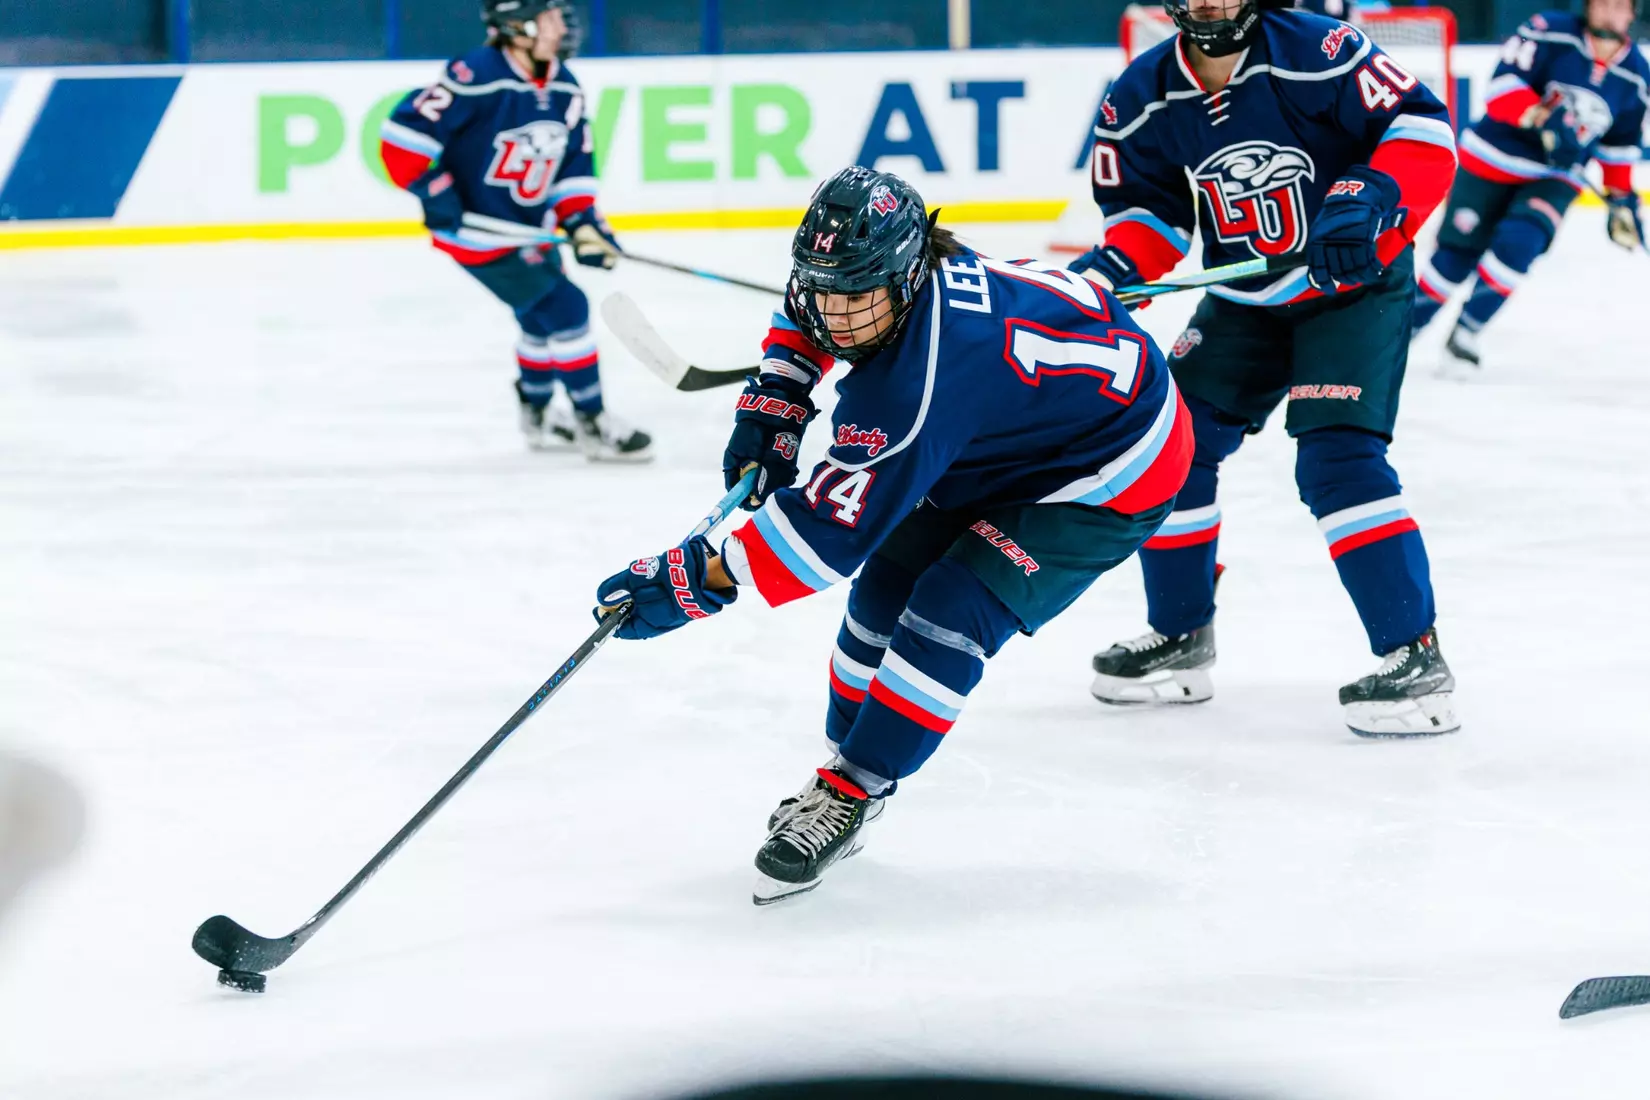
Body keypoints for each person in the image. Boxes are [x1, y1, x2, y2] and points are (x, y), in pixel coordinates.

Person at [590, 167, 1194, 903]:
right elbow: (805, 306)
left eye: (857, 299)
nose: (835, 319)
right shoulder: (886, 278)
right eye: (827, 291)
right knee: (883, 594)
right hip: (1007, 437)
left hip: (1107, 469)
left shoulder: (917, 385)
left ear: (907, 277)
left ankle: (853, 788)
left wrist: (693, 580)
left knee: (949, 608)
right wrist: (778, 393)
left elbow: (825, 537)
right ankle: (847, 764)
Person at [1069, 0, 1461, 736]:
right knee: (1172, 446)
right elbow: (1147, 215)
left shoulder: (1319, 49)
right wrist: (1113, 271)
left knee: (1336, 460)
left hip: (1353, 287)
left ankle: (1416, 657)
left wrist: (1371, 196)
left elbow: (1422, 129)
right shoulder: (1140, 93)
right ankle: (1182, 636)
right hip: (1246, 297)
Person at [379, 0, 652, 460]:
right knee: (567, 308)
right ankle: (593, 422)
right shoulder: (476, 73)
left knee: (538, 317)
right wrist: (436, 188)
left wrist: (583, 222)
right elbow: (400, 140)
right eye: (549, 18)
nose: (562, 26)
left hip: (529, 230)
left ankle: (540, 417)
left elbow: (572, 165)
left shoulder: (565, 85)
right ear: (516, 26)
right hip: (480, 236)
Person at [1411, 0, 1648, 370]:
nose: (1609, 11)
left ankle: (1466, 331)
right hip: (1490, 159)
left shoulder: (1636, 75)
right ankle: (1401, 333)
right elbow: (1502, 86)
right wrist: (1542, 116)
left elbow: (1619, 144)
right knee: (1455, 258)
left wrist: (1621, 199)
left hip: (1556, 176)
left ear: (1632, 13)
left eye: (1619, 4)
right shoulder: (1548, 29)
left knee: (1520, 244)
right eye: (1602, 3)